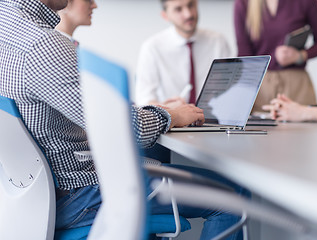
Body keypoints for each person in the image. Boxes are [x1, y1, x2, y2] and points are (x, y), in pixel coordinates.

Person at [0, 0, 246, 239]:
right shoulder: (42, 45)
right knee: (232, 196)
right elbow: (131, 129)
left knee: (154, 159)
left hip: (40, 194)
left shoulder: (7, 26)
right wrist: (172, 115)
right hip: (82, 193)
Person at [234, 0, 317, 112]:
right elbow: (244, 55)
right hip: (260, 87)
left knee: (303, 128)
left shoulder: (306, 2)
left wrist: (299, 56)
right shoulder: (243, 3)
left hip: (296, 86)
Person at [135, 0, 231, 107]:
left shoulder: (218, 42)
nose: (188, 14)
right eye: (178, 9)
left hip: (213, 118)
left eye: (190, 5)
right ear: (165, 16)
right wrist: (169, 110)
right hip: (173, 120)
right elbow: (144, 100)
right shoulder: (152, 48)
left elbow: (230, 89)